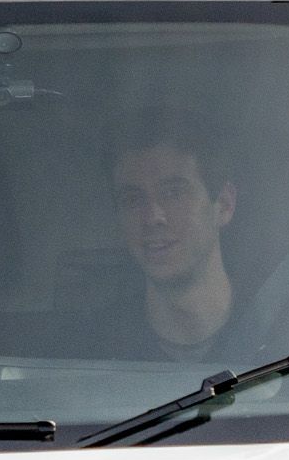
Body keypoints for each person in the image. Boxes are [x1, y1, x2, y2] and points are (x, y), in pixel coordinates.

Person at [107, 111, 270, 363]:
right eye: (133, 199)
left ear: (224, 205)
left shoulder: (281, 334)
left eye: (173, 193)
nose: (153, 217)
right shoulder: (98, 352)